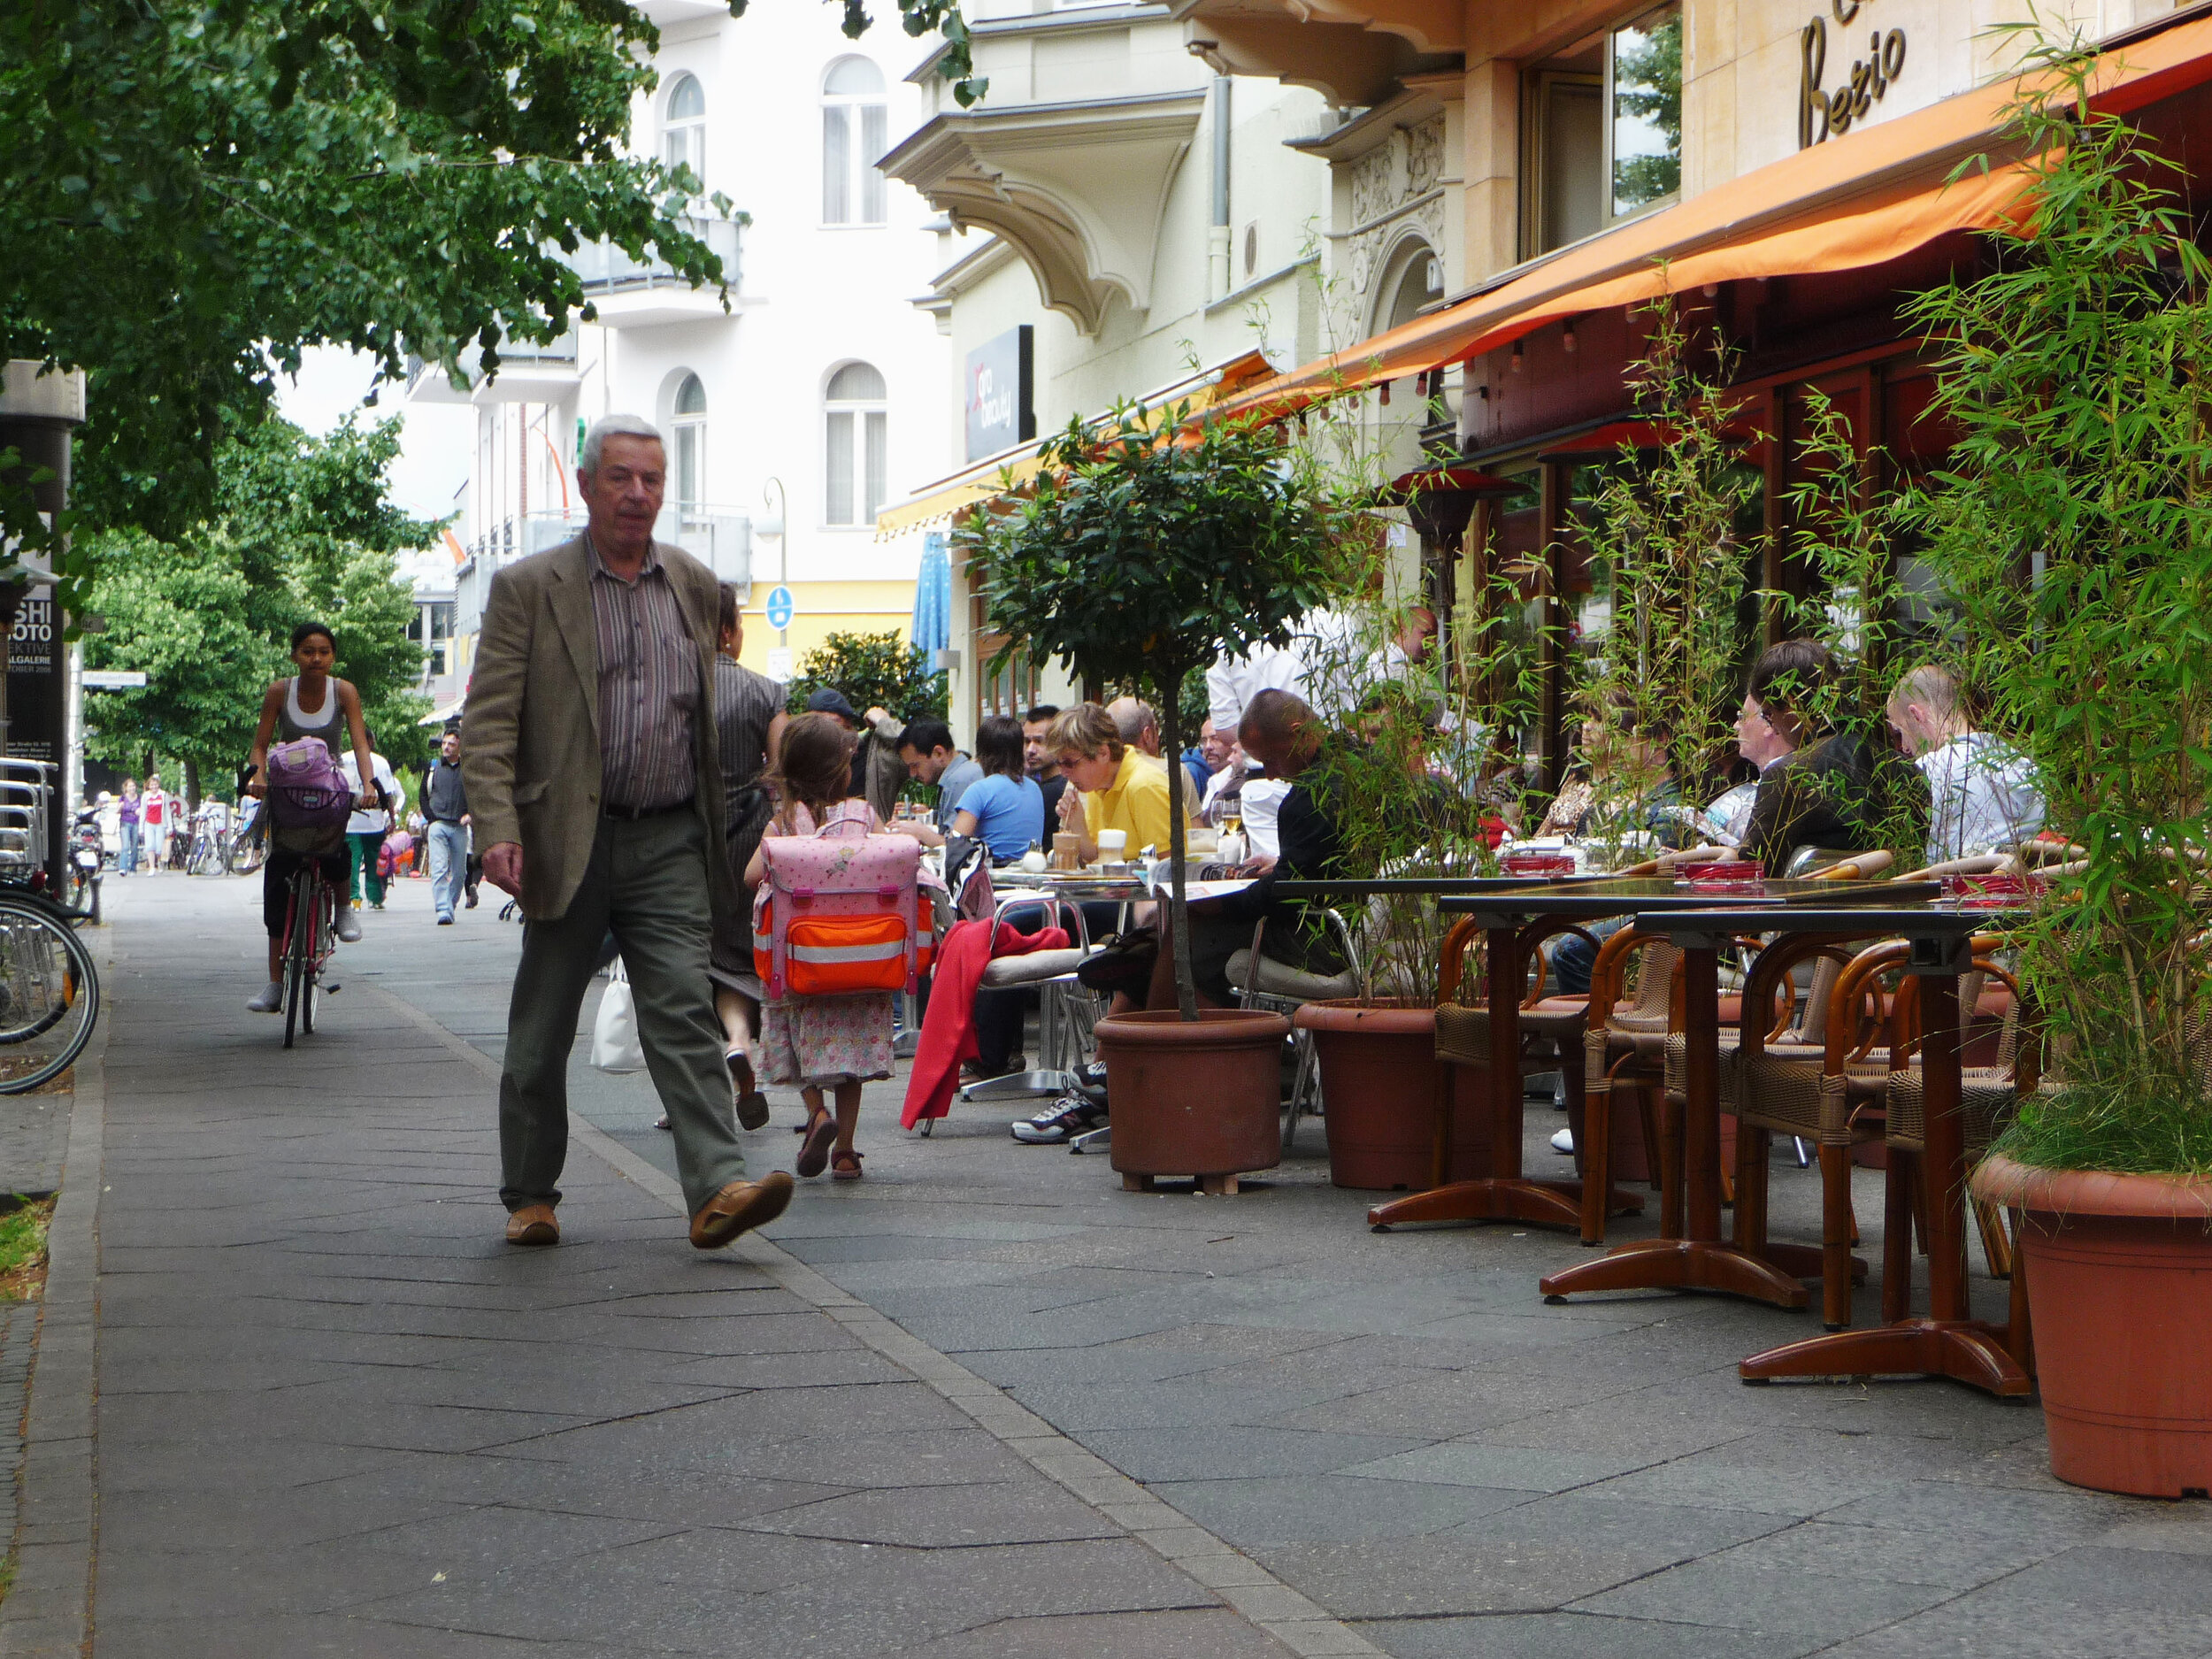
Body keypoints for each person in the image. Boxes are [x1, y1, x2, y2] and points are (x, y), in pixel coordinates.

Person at [462, 411, 789, 1252]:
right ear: (585, 485)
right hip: (569, 837)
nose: (638, 495)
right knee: (543, 1026)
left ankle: (716, 1188)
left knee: (682, 1008)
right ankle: (531, 1191)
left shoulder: (689, 580)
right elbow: (491, 720)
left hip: (671, 837)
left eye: (652, 480)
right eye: (620, 477)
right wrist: (496, 822)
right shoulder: (530, 587)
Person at [745, 712, 915, 1184]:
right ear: (838, 771)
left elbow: (751, 876)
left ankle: (816, 1114)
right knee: (851, 1059)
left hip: (802, 963)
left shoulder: (783, 823)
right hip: (863, 959)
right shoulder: (862, 815)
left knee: (799, 1043)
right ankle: (845, 1151)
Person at [243, 623, 380, 1011]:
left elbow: (358, 743)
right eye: (307, 651)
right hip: (287, 790)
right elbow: (260, 744)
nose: (315, 658)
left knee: (335, 851)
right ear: (294, 656)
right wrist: (258, 777)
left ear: (333, 656)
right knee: (278, 877)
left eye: (323, 651)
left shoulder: (344, 692)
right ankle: (274, 984)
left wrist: (369, 786)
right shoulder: (278, 692)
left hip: (328, 789)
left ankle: (342, 908)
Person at [1736, 641, 1924, 875]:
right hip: (1895, 907)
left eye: (1768, 714)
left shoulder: (1788, 776)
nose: (1772, 727)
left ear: (1792, 705)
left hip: (1814, 909)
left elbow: (1753, 870)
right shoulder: (1903, 769)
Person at [707, 580, 787, 1131]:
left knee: (695, 963)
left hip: (685, 839)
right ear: (732, 633)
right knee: (742, 955)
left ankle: (691, 1088)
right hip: (751, 838)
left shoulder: (673, 689)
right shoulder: (767, 692)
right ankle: (742, 1041)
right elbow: (781, 774)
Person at [1886, 664, 2044, 862]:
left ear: (1916, 715)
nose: (1904, 747)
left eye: (1898, 732)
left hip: (1949, 889)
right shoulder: (2024, 767)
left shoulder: (1926, 774)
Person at [1048, 702, 1178, 864]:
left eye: (1069, 763)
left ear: (1103, 753)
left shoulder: (1144, 786)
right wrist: (1078, 825)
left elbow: (1171, 867)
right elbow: (1099, 860)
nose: (1063, 772)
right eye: (1058, 763)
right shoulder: (1097, 785)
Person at [802, 688, 907, 822]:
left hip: (870, 837)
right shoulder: (804, 759)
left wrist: (884, 722)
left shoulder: (873, 754)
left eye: (840, 726)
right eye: (821, 726)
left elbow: (919, 749)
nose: (831, 732)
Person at [885, 718, 982, 849]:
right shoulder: (965, 772)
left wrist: (919, 832)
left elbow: (956, 848)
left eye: (915, 765)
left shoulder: (959, 781)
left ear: (938, 753)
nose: (912, 774)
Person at [340, 749, 401, 911]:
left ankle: (354, 899)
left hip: (349, 822)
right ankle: (375, 898)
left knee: (351, 863)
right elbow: (387, 795)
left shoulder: (343, 760)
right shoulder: (380, 762)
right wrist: (393, 819)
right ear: (371, 741)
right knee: (375, 862)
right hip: (374, 823)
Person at [420, 730, 472, 924]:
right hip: (438, 825)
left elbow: (477, 794)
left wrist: (470, 814)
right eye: (444, 743)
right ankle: (443, 909)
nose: (446, 747)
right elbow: (423, 795)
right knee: (439, 868)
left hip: (459, 826)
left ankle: (449, 904)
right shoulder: (433, 767)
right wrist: (431, 818)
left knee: (460, 873)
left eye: (451, 744)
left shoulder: (468, 769)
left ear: (460, 746)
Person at [1021, 704, 1069, 826]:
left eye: (1039, 741)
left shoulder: (1055, 791)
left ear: (1059, 741)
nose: (1030, 750)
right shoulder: (1039, 787)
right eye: (1027, 742)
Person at [141, 776, 171, 872]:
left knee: (159, 847)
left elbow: (167, 811)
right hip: (149, 823)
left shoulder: (163, 795)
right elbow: (143, 812)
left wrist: (170, 826)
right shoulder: (146, 796)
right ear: (149, 786)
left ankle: (160, 862)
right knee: (150, 846)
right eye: (152, 785)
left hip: (160, 823)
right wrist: (141, 827)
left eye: (156, 784)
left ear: (158, 785)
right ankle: (152, 867)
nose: (154, 787)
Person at [116, 780, 140, 877]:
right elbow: (116, 812)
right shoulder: (122, 798)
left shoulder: (140, 798)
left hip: (136, 823)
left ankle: (133, 869)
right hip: (125, 823)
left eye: (133, 786)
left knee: (134, 846)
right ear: (126, 788)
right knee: (125, 846)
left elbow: (144, 810)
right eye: (130, 786)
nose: (132, 788)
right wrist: (120, 807)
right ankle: (123, 868)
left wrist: (140, 812)